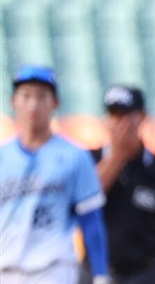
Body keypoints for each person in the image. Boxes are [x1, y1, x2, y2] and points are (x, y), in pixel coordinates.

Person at [0, 65, 111, 283]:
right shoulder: (2, 156)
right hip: (7, 270)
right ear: (14, 101)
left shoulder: (75, 155)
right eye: (26, 95)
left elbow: (91, 219)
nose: (34, 104)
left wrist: (100, 273)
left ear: (55, 103)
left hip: (54, 269)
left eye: (42, 96)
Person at [78, 85, 155, 284]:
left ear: (142, 117)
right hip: (95, 272)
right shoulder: (89, 160)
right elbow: (87, 200)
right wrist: (118, 156)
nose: (119, 123)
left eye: (126, 115)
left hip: (142, 274)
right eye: (113, 115)